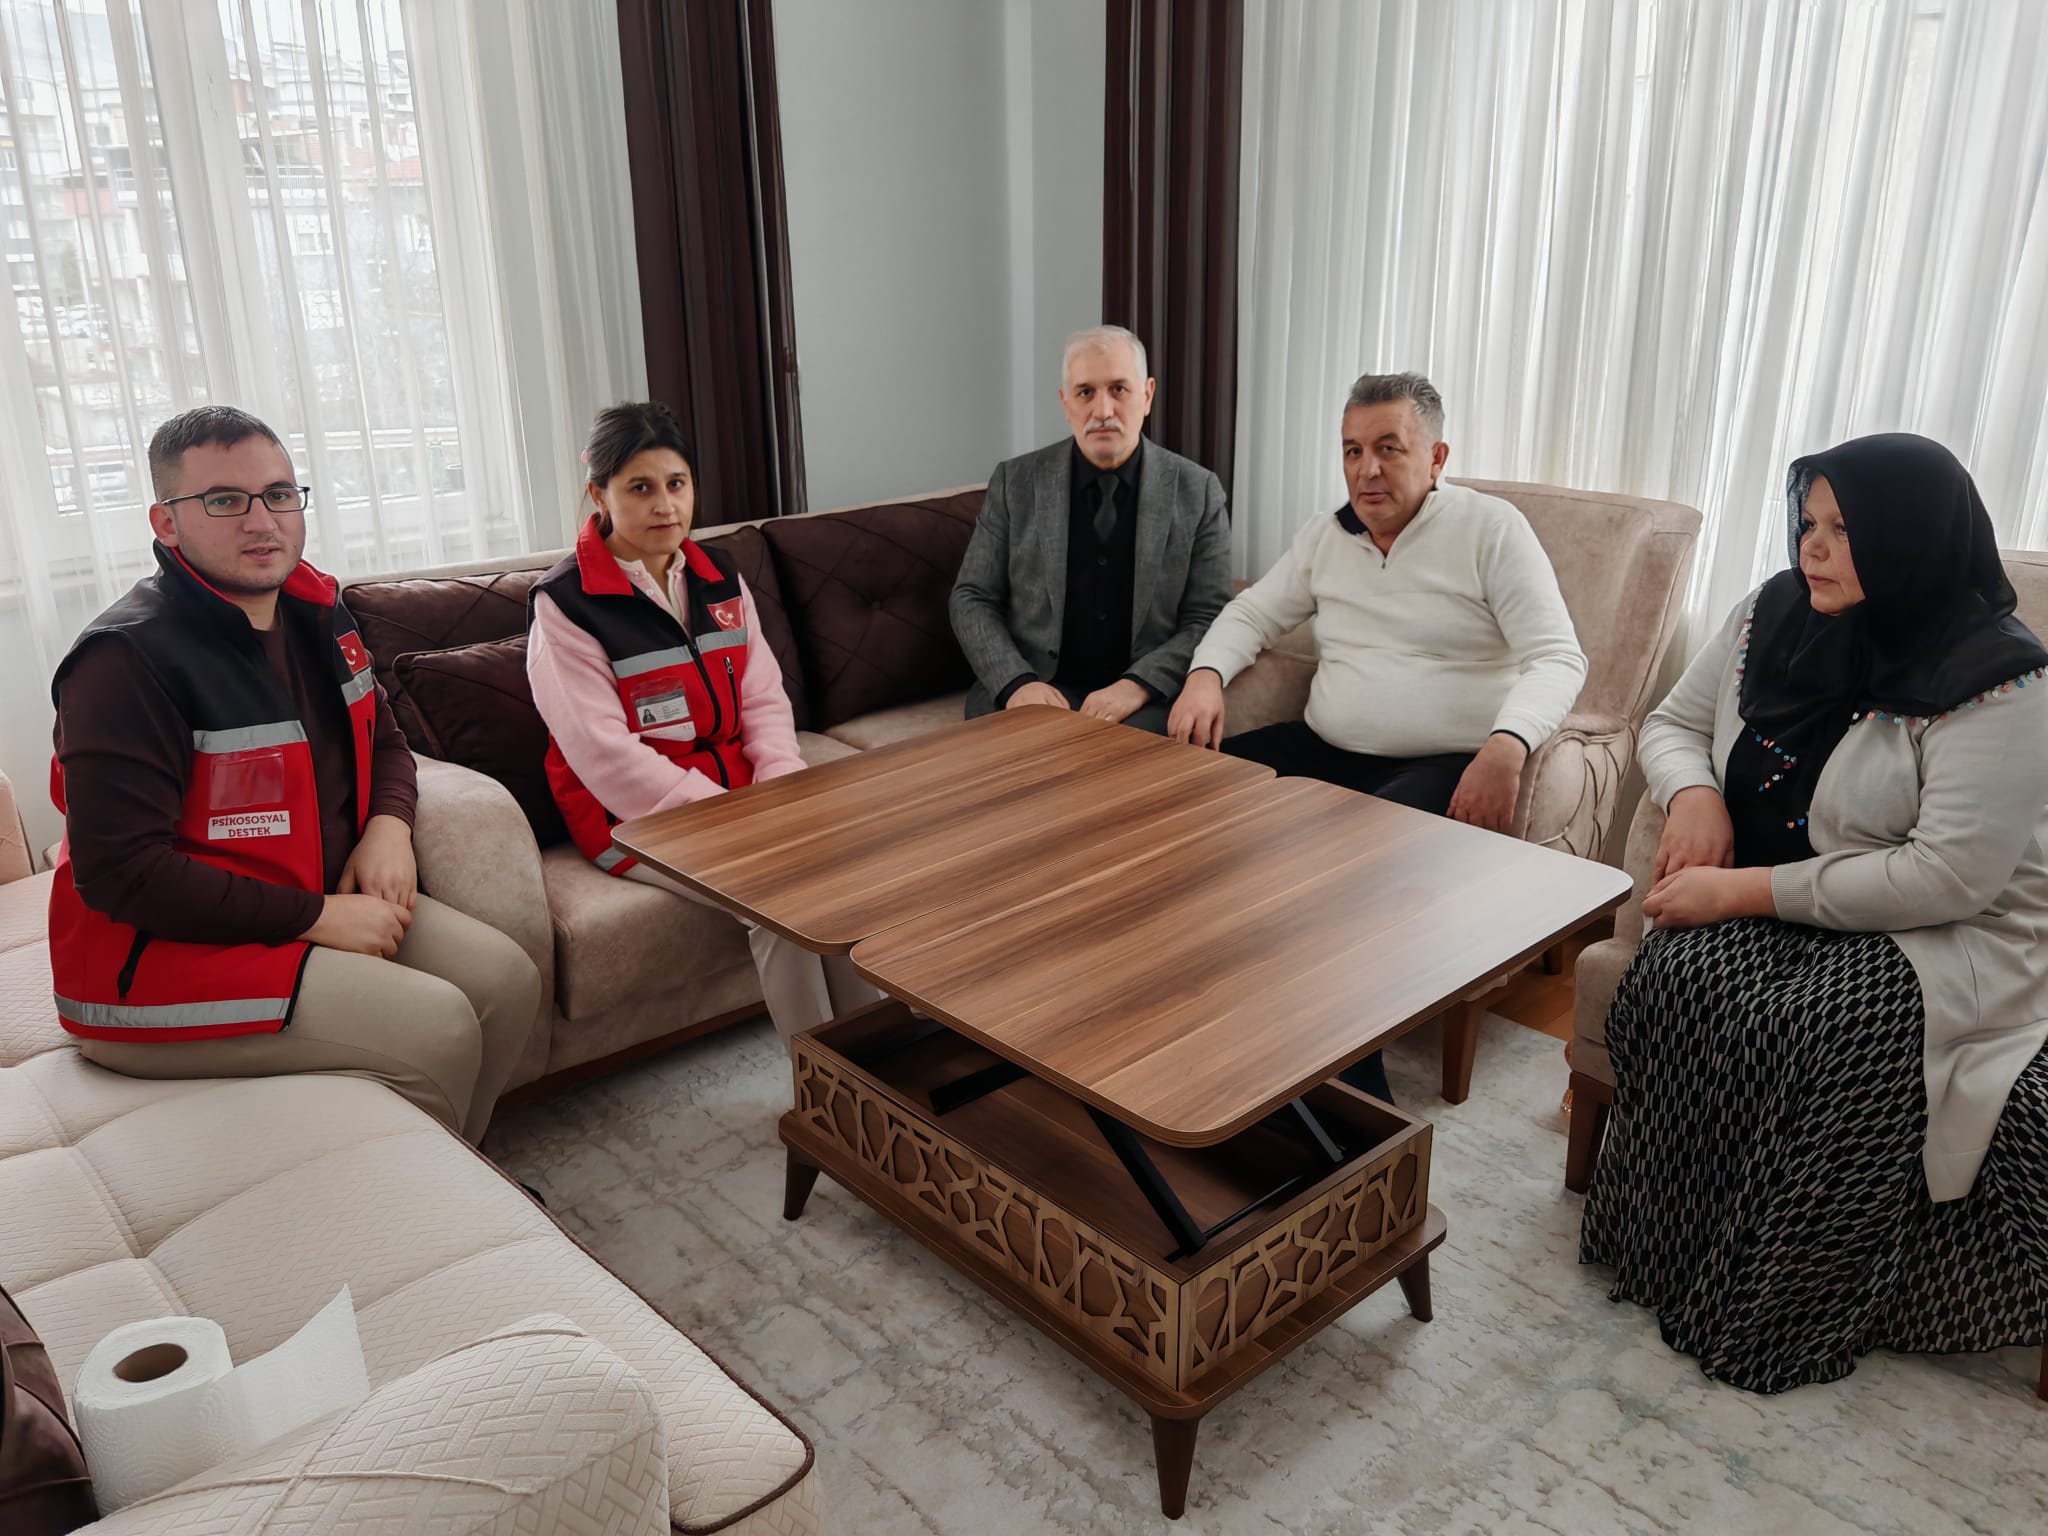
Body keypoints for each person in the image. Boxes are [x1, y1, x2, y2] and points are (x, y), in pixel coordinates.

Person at [1580, 433, 2048, 1393]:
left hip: (1944, 934)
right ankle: (1667, 1254)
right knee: (1678, 974)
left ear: (1913, 540)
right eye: (1808, 522)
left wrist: (1740, 891)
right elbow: (1672, 723)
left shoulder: (2003, 681)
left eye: (1845, 529)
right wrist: (1694, 797)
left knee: (1820, 1024)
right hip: (1792, 894)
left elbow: (1946, 879)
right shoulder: (1772, 612)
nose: (1813, 548)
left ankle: (1778, 1304)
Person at [48, 406, 540, 1143]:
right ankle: (414, 1195)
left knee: (508, 981)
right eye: (224, 500)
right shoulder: (122, 661)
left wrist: (388, 828)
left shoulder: (317, 611)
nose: (262, 521)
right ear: (166, 522)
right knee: (437, 1025)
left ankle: (464, 1172)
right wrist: (317, 918)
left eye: (279, 494)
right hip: (157, 957)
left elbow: (387, 741)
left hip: (309, 899)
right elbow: (120, 876)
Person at [1169, 371, 1586, 1102]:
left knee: (1350, 880)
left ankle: (1349, 1096)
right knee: (1184, 801)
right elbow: (1253, 613)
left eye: (1388, 448)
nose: (1366, 469)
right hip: (1325, 748)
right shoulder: (1325, 535)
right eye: (1352, 450)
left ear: (1436, 457)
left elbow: (1558, 657)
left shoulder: (1491, 530)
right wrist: (1205, 674)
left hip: (1440, 763)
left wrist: (1507, 744)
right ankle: (1193, 1017)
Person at [525, 401, 879, 1044]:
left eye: (677, 484)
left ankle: (882, 1059)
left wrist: (781, 787)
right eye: (640, 488)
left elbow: (763, 697)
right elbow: (604, 756)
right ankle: (825, 1083)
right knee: (780, 907)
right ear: (598, 495)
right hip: (634, 817)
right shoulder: (565, 606)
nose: (666, 505)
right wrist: (724, 818)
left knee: (842, 872)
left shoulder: (719, 576)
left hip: (741, 795)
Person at [951, 325, 1232, 733]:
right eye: (1085, 392)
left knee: (1116, 763)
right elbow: (972, 597)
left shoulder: (1199, 491)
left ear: (1147, 395)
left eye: (1119, 389)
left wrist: (1137, 685)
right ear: (1065, 403)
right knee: (1023, 760)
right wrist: (1016, 682)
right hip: (1032, 688)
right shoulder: (1016, 482)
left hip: (1141, 702)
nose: (1102, 411)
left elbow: (1209, 615)